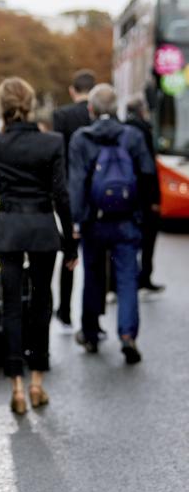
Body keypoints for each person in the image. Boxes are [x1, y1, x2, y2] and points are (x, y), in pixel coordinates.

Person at [0, 77, 77, 415]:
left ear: (2, 105)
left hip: (8, 227)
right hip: (41, 228)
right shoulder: (52, 143)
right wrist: (70, 243)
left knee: (10, 305)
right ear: (31, 103)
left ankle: (17, 387)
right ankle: (38, 380)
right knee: (41, 303)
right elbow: (61, 195)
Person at [68, 84, 155, 363]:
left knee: (92, 275)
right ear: (116, 108)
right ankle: (128, 334)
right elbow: (146, 174)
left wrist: (77, 219)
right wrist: (142, 213)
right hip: (127, 220)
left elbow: (77, 182)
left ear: (91, 109)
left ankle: (91, 333)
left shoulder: (82, 139)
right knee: (128, 277)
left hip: (94, 220)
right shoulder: (131, 136)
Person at [52, 68, 96, 328]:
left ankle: (65, 309)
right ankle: (92, 316)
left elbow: (59, 155)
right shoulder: (96, 114)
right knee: (94, 254)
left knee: (70, 252)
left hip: (68, 190)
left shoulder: (62, 116)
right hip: (96, 192)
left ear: (72, 90)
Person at [125, 95, 165, 293]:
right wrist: (156, 199)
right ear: (142, 110)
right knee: (148, 237)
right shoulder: (144, 131)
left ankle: (128, 276)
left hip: (127, 193)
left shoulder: (122, 129)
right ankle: (144, 276)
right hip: (145, 195)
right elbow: (149, 169)